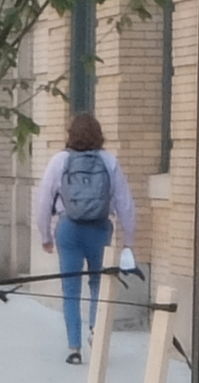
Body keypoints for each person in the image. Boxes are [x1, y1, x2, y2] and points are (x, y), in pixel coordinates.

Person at [33, 111, 136, 363]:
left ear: (71, 134)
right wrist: (128, 241)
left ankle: (74, 348)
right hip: (100, 228)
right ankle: (95, 330)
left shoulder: (60, 161)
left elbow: (43, 200)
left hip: (69, 228)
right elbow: (125, 202)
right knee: (98, 285)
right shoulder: (109, 161)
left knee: (70, 289)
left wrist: (45, 234)